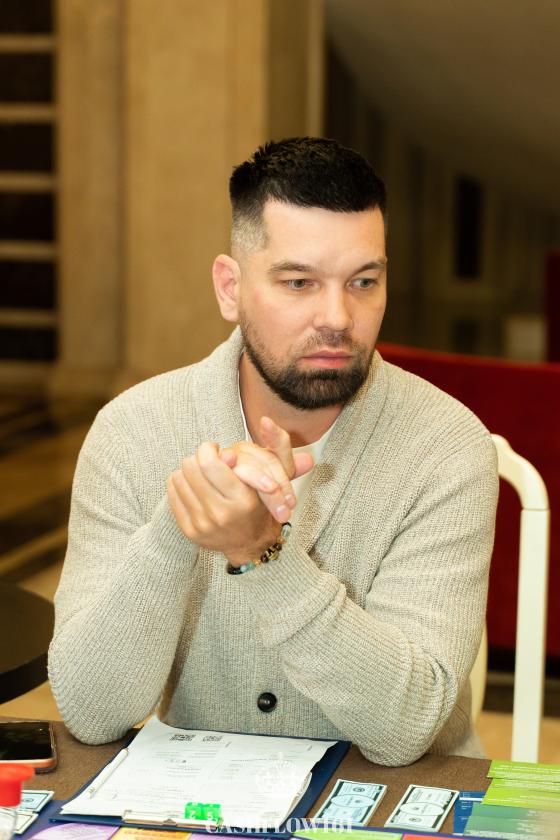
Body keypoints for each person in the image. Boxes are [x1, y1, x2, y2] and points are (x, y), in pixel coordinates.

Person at [49, 137, 498, 765]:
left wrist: (263, 552)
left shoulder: (446, 446)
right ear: (230, 287)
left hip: (398, 798)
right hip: (202, 796)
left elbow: (406, 729)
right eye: (298, 282)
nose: (338, 317)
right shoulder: (134, 429)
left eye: (364, 282)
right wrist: (181, 524)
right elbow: (92, 712)